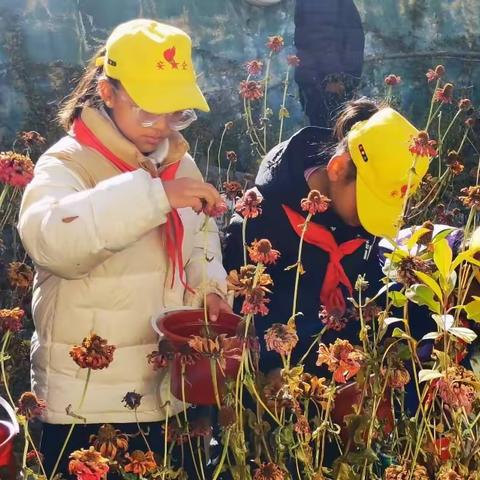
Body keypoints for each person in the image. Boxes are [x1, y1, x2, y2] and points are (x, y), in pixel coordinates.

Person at [17, 19, 231, 477]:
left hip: (167, 390)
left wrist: (210, 290)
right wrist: (155, 196)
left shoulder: (178, 160)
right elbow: (49, 240)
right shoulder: (68, 161)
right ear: (107, 91)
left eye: (175, 113)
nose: (161, 127)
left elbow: (200, 238)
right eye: (146, 111)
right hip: (89, 402)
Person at [224, 98, 431, 374]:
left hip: (341, 375)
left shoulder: (357, 221)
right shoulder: (258, 220)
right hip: (276, 380)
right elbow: (239, 319)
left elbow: (366, 289)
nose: (369, 220)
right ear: (337, 169)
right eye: (367, 201)